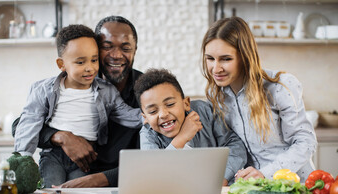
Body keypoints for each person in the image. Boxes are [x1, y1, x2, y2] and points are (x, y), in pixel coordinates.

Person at [13, 16, 143, 188]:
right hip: (57, 159)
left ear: (135, 50)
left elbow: (152, 154)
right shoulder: (52, 87)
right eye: (107, 47)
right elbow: (22, 124)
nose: (116, 55)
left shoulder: (145, 90)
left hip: (119, 180)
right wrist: (61, 137)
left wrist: (153, 115)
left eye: (125, 48)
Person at [201, 17, 317, 182]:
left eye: (226, 59)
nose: (216, 68)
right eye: (210, 59)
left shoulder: (279, 86)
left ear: (244, 56)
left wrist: (266, 173)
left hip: (293, 185)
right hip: (252, 188)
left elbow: (305, 142)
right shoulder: (215, 96)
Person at [134, 68, 247, 185]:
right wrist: (181, 138)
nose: (163, 114)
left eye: (170, 104)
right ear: (145, 118)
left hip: (216, 189)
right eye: (152, 111)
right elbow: (153, 174)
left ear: (186, 103)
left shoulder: (204, 111)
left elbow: (235, 146)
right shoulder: (148, 134)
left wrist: (221, 179)